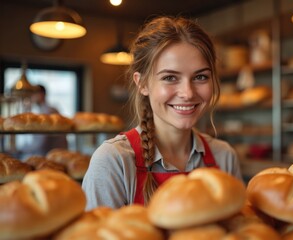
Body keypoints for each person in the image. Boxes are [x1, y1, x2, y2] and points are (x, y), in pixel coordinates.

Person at [82, 16, 242, 210]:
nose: (188, 93)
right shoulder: (113, 161)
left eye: (200, 77)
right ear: (142, 84)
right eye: (170, 77)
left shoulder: (224, 156)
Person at [18, 84, 68, 159]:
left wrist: (21, 149)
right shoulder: (45, 110)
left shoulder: (48, 112)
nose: (31, 97)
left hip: (52, 155)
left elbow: (41, 142)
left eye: (33, 94)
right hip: (52, 154)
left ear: (41, 94)